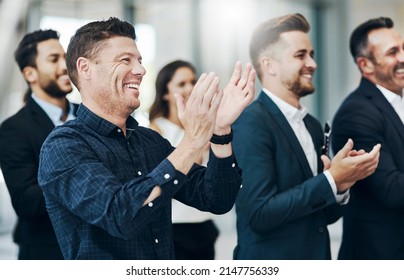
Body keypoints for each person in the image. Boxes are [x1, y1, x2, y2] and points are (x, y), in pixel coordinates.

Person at [37, 17, 256, 260]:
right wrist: (192, 141)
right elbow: (120, 214)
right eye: (125, 60)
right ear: (85, 68)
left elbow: (216, 198)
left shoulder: (150, 142)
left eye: (139, 61)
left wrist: (220, 131)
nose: (141, 70)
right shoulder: (63, 146)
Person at [232, 13, 381, 260]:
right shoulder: (250, 123)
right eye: (300, 55)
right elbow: (259, 215)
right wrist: (331, 178)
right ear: (269, 65)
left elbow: (323, 217)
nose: (312, 63)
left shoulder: (312, 126)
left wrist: (341, 184)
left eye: (311, 54)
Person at [331, 17, 404, 260]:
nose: (403, 57)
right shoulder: (357, 112)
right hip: (379, 256)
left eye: (403, 48)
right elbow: (392, 190)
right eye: (393, 52)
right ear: (366, 65)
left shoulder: (396, 102)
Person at [0, 29, 76, 259]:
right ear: (30, 74)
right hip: (46, 251)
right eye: (54, 59)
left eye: (65, 56)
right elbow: (27, 203)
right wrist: (84, 177)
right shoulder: (14, 129)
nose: (65, 65)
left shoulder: (90, 118)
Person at [149, 60, 219, 260]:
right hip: (175, 227)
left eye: (192, 81)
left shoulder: (208, 125)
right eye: (181, 84)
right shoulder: (156, 131)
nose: (190, 88)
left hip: (204, 222)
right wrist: (198, 138)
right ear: (164, 93)